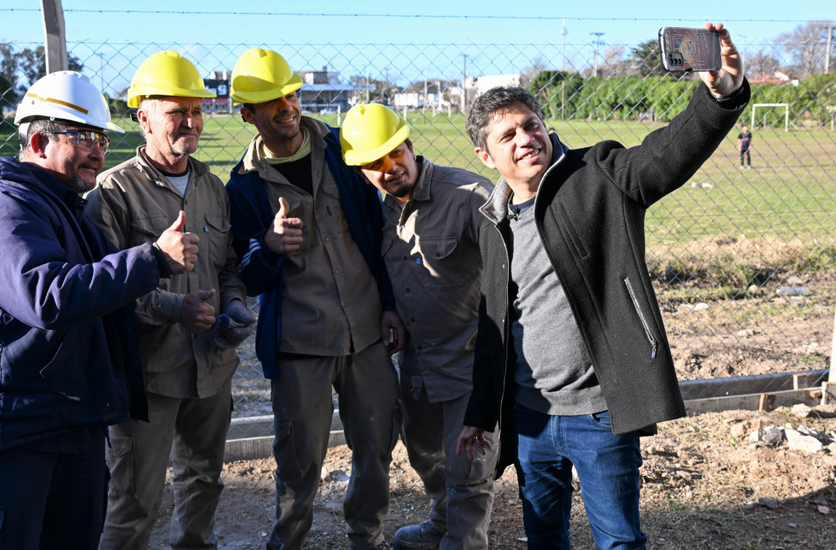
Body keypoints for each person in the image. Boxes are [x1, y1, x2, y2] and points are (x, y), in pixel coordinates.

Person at [457, 23, 749, 550]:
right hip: (529, 418)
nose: (526, 139)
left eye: (532, 125)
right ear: (486, 156)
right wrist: (481, 413)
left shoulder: (599, 174)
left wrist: (719, 95)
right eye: (508, 135)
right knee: (544, 536)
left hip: (600, 412)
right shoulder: (490, 223)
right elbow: (494, 324)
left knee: (618, 539)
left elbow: (665, 156)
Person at [0, 71, 199, 550]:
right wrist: (154, 259)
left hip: (68, 417)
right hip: (14, 429)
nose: (99, 151)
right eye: (84, 137)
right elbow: (46, 295)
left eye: (101, 138)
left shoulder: (59, 207)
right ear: (38, 140)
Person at [224, 48, 405, 550]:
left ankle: (366, 535)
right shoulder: (241, 187)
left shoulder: (342, 151)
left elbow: (377, 234)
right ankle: (289, 541)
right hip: (300, 341)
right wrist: (269, 248)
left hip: (367, 331)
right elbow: (244, 272)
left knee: (376, 446)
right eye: (271, 101)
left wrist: (389, 303)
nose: (287, 106)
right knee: (299, 459)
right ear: (247, 113)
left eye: (291, 94)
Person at [85, 51, 253, 550]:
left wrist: (236, 306)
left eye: (196, 110)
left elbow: (227, 267)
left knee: (204, 480)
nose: (190, 121)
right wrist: (173, 310)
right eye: (176, 111)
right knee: (135, 498)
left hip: (211, 366)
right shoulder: (113, 193)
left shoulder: (212, 187)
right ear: (143, 117)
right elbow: (101, 287)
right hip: (148, 374)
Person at [340, 104, 498, 550]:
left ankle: (462, 542)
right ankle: (443, 522)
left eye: (395, 153)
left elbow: (513, 274)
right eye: (374, 162)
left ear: (409, 144)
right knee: (425, 453)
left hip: (468, 358)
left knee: (468, 468)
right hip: (418, 362)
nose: (389, 168)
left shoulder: (468, 196)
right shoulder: (381, 212)